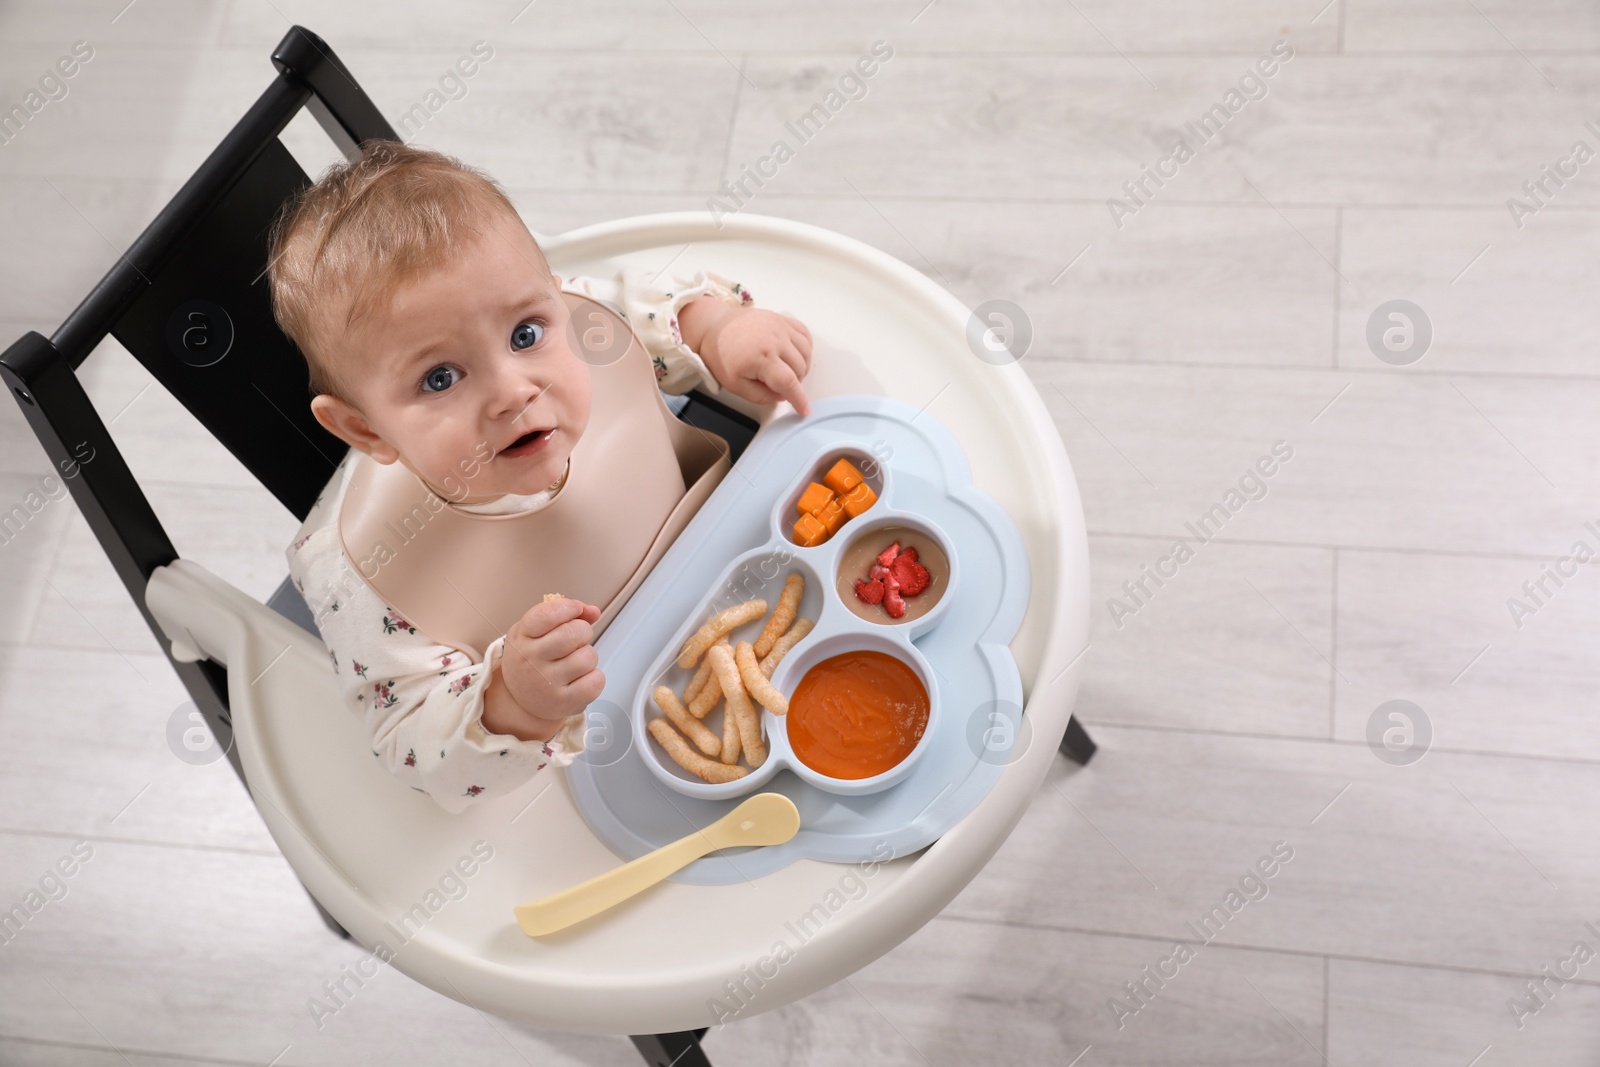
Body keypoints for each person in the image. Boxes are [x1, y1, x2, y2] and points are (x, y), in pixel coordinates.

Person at [269, 141, 813, 812]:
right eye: (440, 377)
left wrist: (716, 329)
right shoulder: (364, 574)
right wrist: (509, 702)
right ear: (366, 430)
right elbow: (409, 743)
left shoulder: (573, 316)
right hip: (607, 731)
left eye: (526, 334)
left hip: (726, 570)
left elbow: (638, 305)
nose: (512, 391)